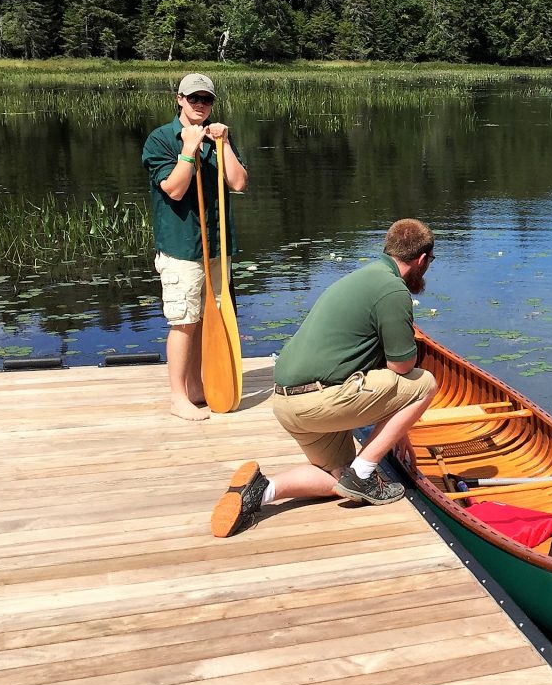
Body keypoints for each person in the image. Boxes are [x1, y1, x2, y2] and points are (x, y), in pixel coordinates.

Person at [210, 218, 439, 538]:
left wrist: (398, 434)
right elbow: (401, 368)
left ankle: (260, 492)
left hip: (286, 402)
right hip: (318, 401)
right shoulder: (392, 289)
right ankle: (363, 473)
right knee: (425, 383)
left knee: (339, 480)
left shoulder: (362, 277)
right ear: (422, 260)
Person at [141, 73, 249, 421]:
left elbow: (238, 183)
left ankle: (198, 386)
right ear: (180, 99)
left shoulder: (218, 139)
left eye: (207, 99)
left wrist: (224, 144)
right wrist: (188, 149)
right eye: (194, 98)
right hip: (182, 248)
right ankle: (178, 397)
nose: (200, 104)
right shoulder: (161, 139)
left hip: (218, 246)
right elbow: (174, 189)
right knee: (184, 321)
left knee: (206, 319)